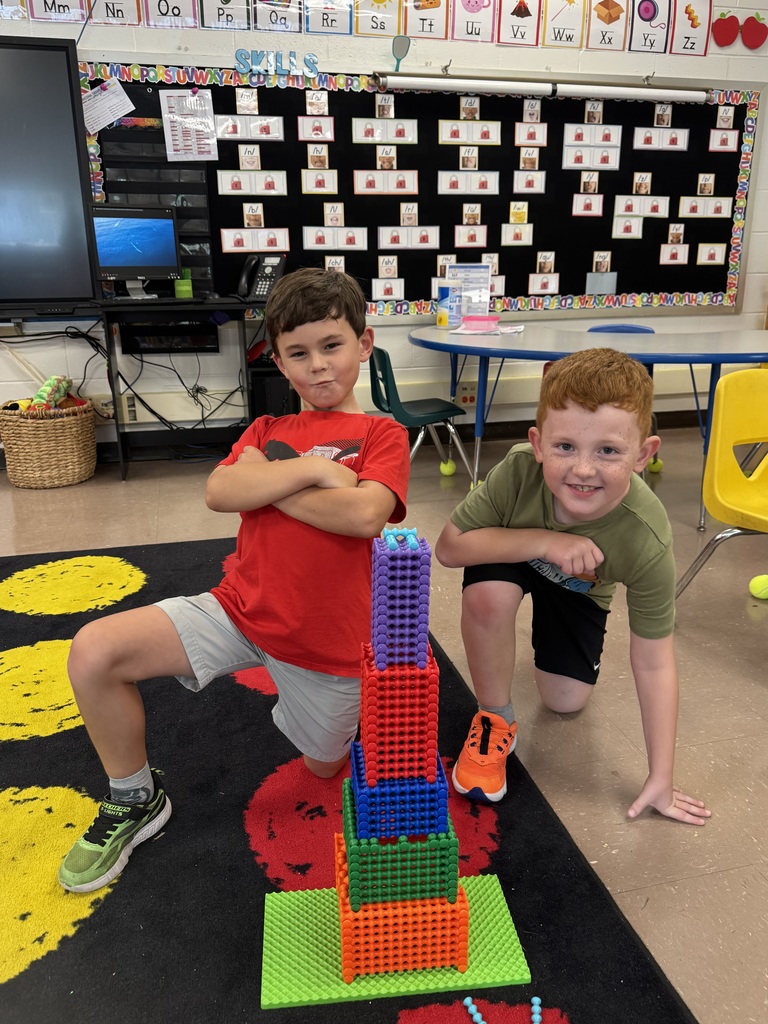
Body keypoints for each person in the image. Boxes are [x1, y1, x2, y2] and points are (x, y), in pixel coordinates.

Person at [58, 269, 411, 893]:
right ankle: (135, 797)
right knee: (93, 651)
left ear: (364, 344)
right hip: (237, 610)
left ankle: (324, 716)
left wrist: (267, 483)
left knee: (324, 766)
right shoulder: (266, 431)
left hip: (328, 646)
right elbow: (220, 491)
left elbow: (364, 515)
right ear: (278, 360)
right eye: (297, 353)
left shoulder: (383, 433)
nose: (317, 366)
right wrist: (317, 474)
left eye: (332, 345)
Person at [435, 348, 711, 827]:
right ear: (538, 444)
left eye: (608, 451)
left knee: (565, 701)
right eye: (565, 447)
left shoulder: (646, 536)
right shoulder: (519, 469)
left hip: (580, 589)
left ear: (644, 455)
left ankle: (552, 633)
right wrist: (545, 542)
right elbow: (450, 548)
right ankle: (494, 717)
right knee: (488, 594)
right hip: (515, 556)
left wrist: (661, 775)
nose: (583, 469)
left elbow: (654, 660)